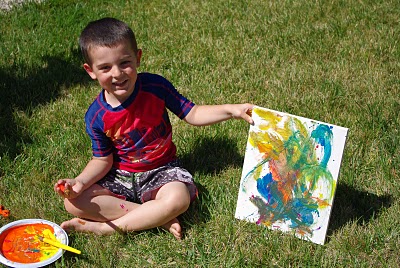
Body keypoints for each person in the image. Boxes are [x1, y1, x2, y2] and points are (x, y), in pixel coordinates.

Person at [54, 17, 254, 240]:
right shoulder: (96, 116)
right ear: (90, 71)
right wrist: (79, 182)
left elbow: (193, 113)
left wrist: (231, 110)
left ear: (138, 58)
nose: (117, 73)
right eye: (105, 67)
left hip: (162, 171)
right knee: (73, 202)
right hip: (121, 176)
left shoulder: (155, 87)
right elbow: (102, 160)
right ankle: (157, 216)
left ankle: (108, 228)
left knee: (179, 199)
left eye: (124, 63)